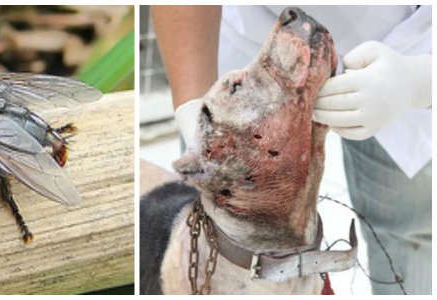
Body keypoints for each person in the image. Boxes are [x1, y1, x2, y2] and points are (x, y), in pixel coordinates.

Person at [151, 5, 431, 295]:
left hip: (408, 43)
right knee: (216, 239)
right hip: (249, 28)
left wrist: (421, 81)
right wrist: (190, 103)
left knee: (408, 231)